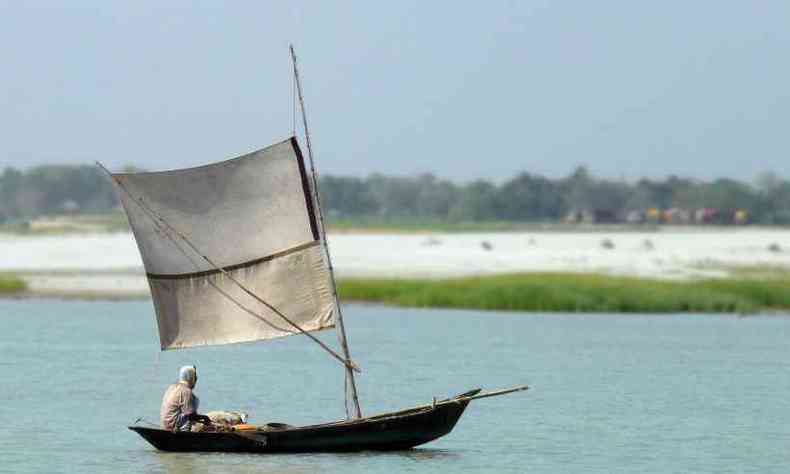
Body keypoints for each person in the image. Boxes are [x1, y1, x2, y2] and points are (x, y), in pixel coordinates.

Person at [160, 365, 212, 432]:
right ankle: (184, 432)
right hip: (173, 426)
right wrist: (204, 418)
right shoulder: (186, 391)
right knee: (190, 413)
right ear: (190, 377)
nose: (196, 379)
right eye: (194, 377)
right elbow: (191, 416)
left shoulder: (172, 387)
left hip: (165, 424)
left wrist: (201, 420)